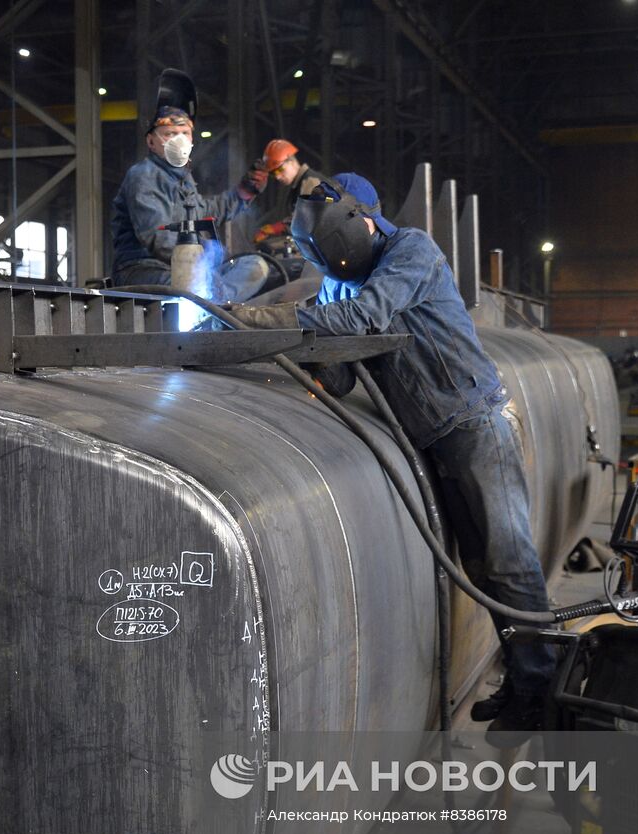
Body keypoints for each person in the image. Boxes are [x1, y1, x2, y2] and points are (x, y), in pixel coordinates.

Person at [229, 174, 555, 745]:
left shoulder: (413, 251)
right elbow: (341, 366)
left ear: (365, 221)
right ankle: (523, 672)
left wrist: (263, 321)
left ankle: (540, 691)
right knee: (479, 568)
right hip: (432, 436)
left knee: (508, 560)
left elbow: (365, 319)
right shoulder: (339, 282)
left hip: (476, 424)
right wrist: (297, 364)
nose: (331, 265)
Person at [109, 69, 270, 301]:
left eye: (184, 132)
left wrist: (243, 192)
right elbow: (158, 239)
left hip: (186, 267)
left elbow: (205, 213)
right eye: (170, 133)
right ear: (151, 141)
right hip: (143, 269)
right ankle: (212, 304)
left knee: (255, 266)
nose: (179, 139)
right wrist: (202, 263)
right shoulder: (143, 175)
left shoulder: (183, 179)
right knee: (195, 286)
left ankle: (214, 302)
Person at [252, 139, 325, 245]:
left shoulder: (309, 182)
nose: (277, 177)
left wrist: (278, 228)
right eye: (273, 173)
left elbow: (306, 224)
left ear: (291, 162)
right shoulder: (299, 185)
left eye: (279, 170)